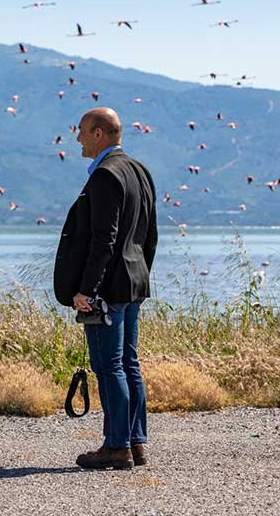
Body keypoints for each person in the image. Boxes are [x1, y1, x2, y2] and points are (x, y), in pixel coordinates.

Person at [54, 107, 158, 470]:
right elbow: (149, 235)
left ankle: (116, 447)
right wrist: (141, 274)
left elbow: (104, 240)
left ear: (99, 134)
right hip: (133, 282)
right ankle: (136, 443)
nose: (78, 138)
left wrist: (86, 290)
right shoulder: (139, 172)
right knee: (129, 364)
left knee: (109, 365)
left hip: (108, 289)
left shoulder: (105, 175)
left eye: (81, 131)